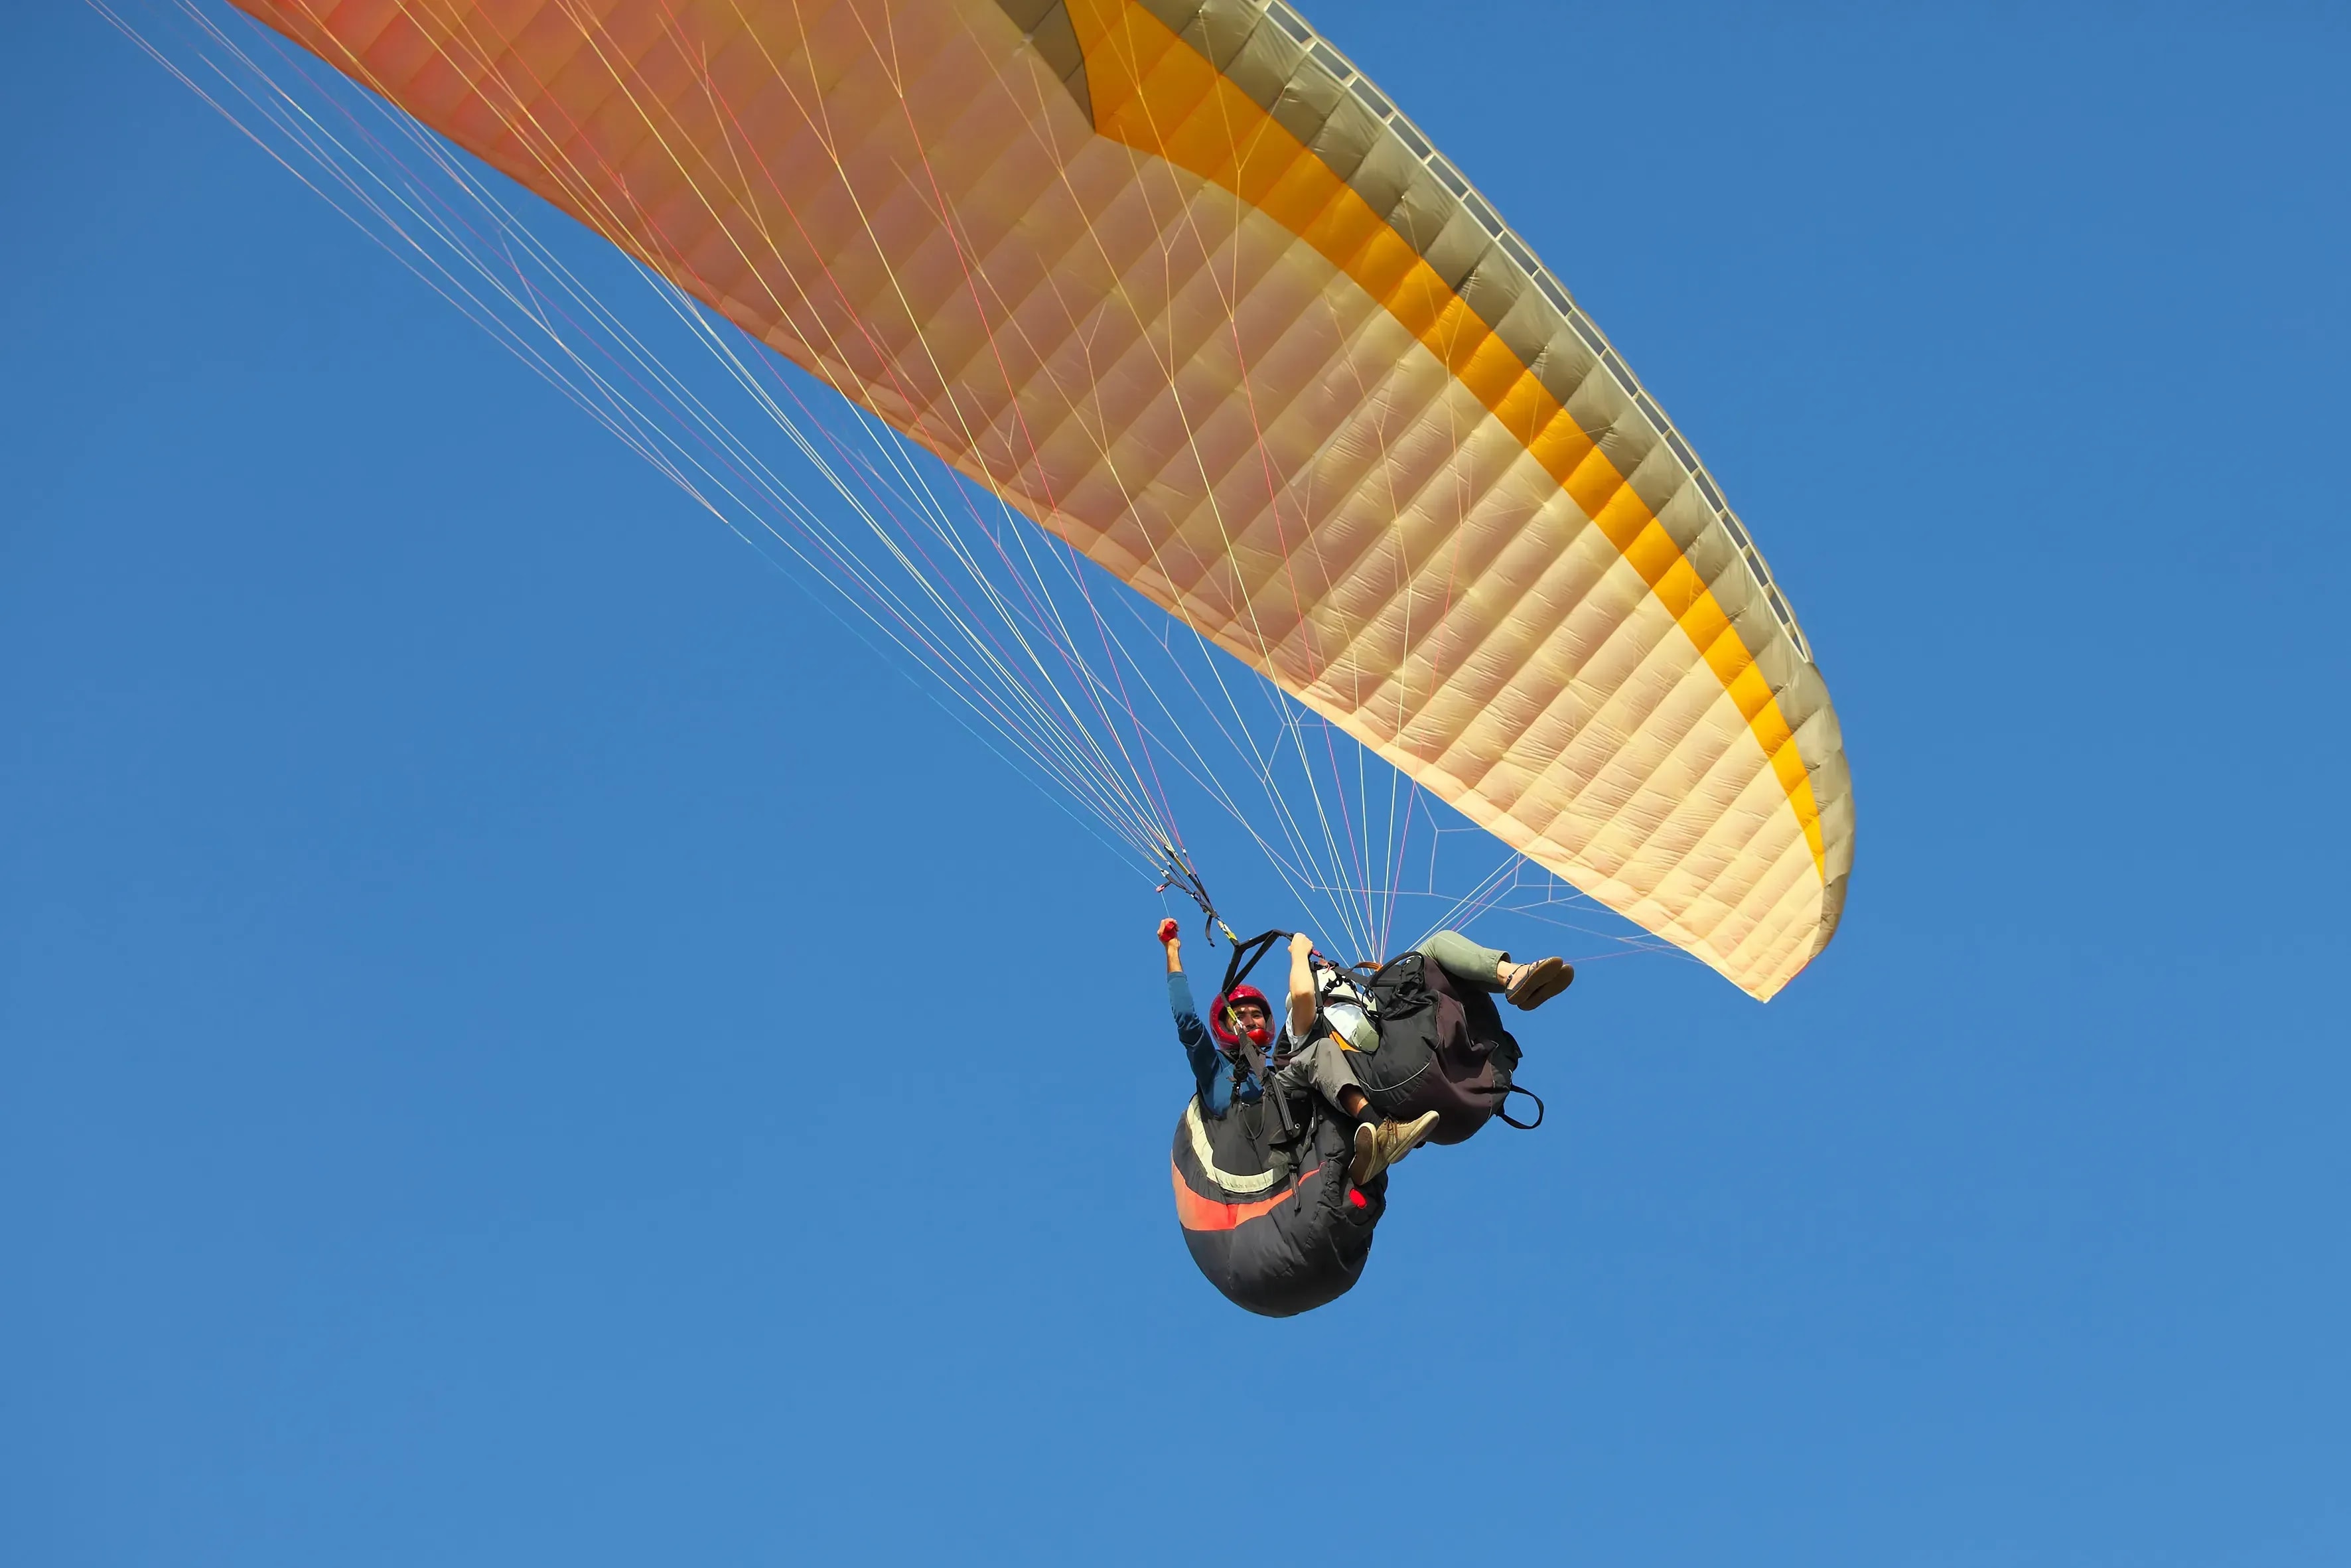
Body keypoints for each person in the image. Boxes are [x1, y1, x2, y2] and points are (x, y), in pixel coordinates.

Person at [1159, 920, 1435, 1186]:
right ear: (1224, 1023)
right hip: (1244, 1134)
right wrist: (1172, 950)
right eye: (1239, 1014)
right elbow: (1186, 1018)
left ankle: (1374, 1138)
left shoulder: (1274, 1073)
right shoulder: (1214, 1067)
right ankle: (1381, 1130)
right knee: (1317, 1053)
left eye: (1256, 1014)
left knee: (1327, 1051)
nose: (1249, 1019)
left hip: (1281, 1122)